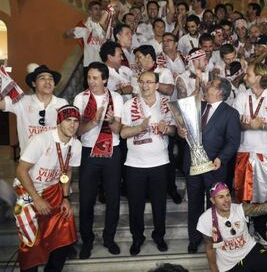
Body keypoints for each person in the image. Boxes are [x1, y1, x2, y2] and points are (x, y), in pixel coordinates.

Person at [14, 105, 82, 272]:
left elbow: (67, 170)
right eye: (68, 120)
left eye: (75, 121)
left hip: (53, 189)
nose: (72, 125)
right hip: (27, 191)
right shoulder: (41, 140)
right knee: (31, 240)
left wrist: (66, 198)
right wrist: (36, 199)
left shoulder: (76, 145)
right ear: (59, 122)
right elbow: (21, 170)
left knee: (65, 227)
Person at [178, 77, 241, 254]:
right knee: (194, 205)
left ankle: (215, 239)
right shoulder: (199, 106)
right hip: (193, 165)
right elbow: (184, 127)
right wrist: (182, 132)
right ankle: (194, 238)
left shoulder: (230, 113)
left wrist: (222, 158)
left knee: (215, 207)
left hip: (214, 167)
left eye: (211, 85)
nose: (207, 87)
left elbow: (233, 141)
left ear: (220, 92)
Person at [120, 71, 176, 255]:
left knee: (160, 204)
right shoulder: (129, 105)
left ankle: (159, 235)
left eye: (149, 82)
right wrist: (140, 128)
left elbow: (175, 131)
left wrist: (166, 129)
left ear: (157, 84)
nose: (145, 86)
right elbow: (123, 133)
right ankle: (137, 238)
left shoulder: (166, 104)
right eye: (142, 82)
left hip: (160, 162)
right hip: (135, 164)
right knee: (135, 206)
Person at [73, 62, 124, 259]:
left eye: (95, 78)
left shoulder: (116, 98)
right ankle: (87, 241)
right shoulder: (81, 98)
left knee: (113, 198)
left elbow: (118, 130)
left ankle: (109, 238)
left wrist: (111, 121)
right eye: (89, 78)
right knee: (86, 199)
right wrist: (94, 120)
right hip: (88, 152)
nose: (91, 82)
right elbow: (76, 131)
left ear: (104, 79)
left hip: (112, 151)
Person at [233, 63, 267, 246]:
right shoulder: (241, 96)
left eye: (249, 74)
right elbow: (236, 123)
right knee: (242, 194)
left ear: (259, 76)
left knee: (262, 195)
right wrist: (250, 125)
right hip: (244, 150)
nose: (245, 77)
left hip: (265, 153)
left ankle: (260, 231)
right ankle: (243, 232)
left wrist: (260, 125)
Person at [0, 64, 68, 151]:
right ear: (34, 83)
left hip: (54, 160)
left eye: (51, 79)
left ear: (54, 84)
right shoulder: (22, 101)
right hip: (28, 161)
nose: (48, 81)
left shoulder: (62, 103)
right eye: (42, 78)